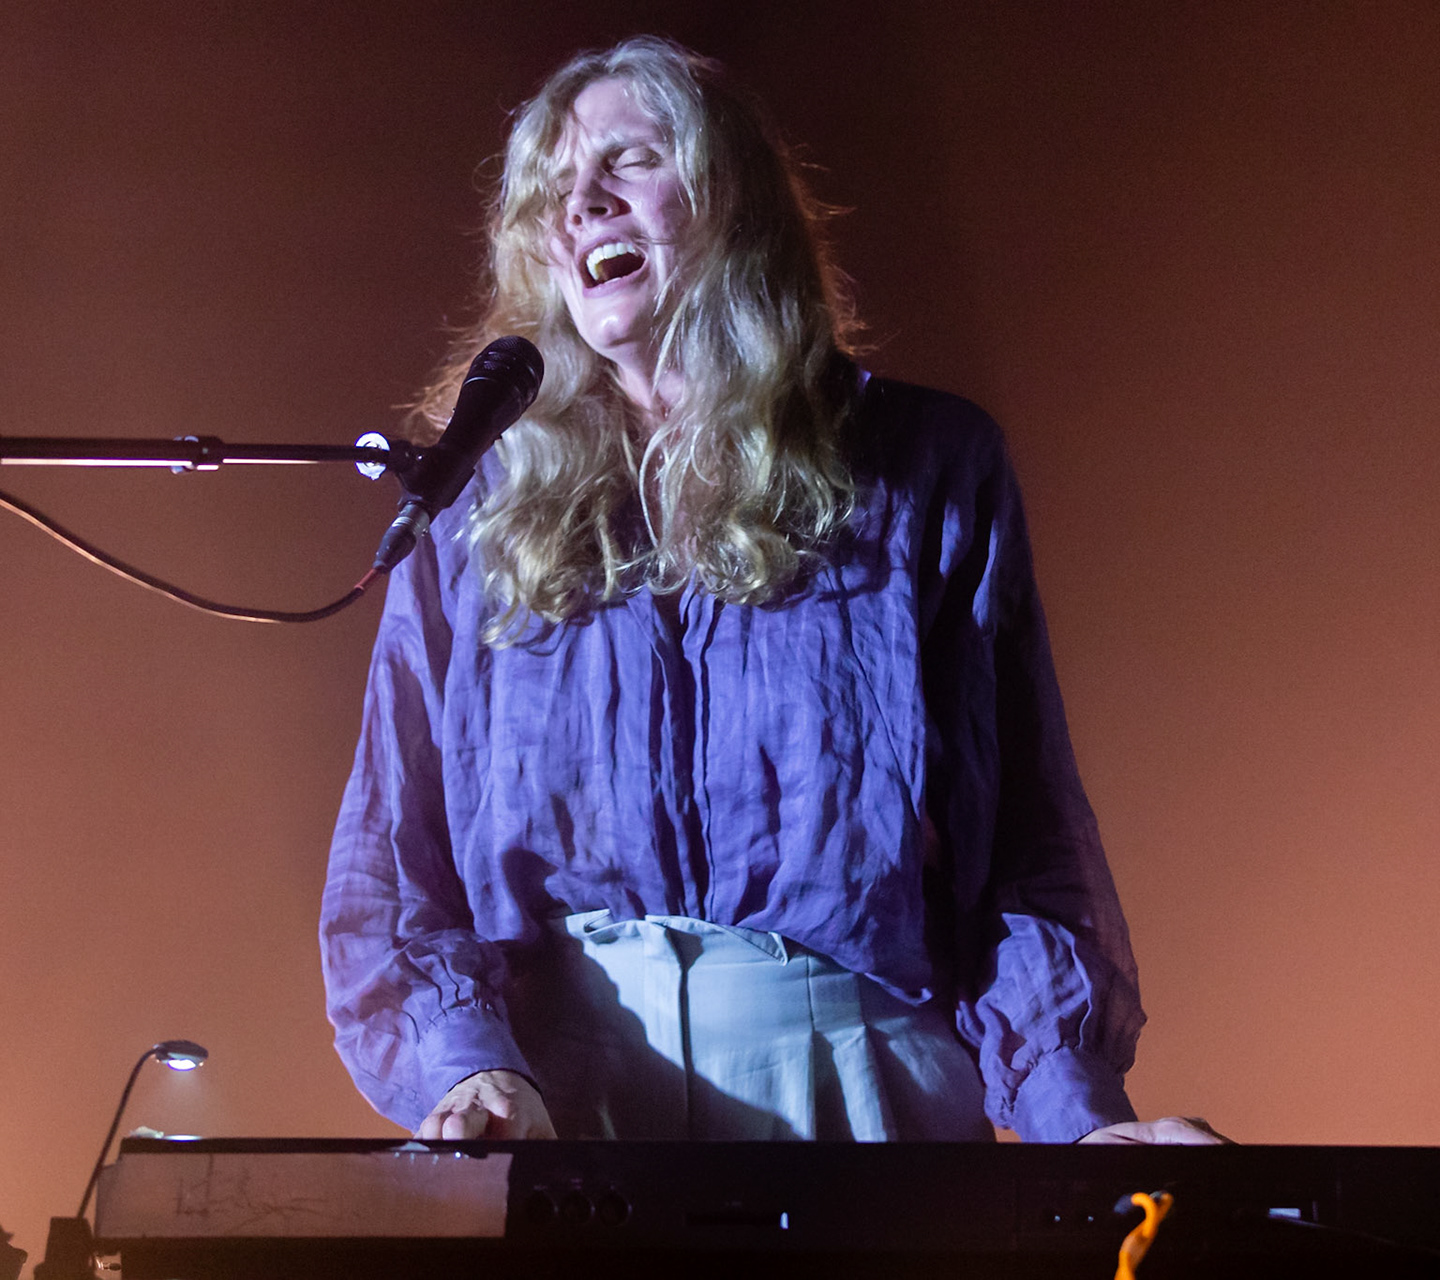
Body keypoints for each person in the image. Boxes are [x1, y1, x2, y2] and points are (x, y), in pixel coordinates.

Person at [321, 36, 1220, 1146]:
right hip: (557, 1098)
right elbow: (393, 853)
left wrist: (1074, 1117)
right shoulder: (478, 501)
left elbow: (1025, 838)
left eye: (628, 160)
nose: (582, 204)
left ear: (734, 193)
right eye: (553, 189)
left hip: (857, 1080)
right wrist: (465, 1066)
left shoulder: (924, 463)